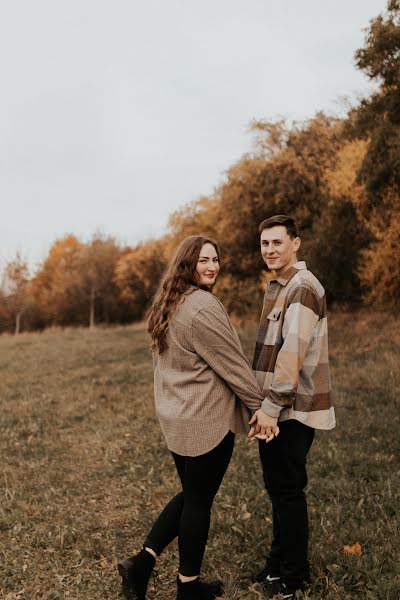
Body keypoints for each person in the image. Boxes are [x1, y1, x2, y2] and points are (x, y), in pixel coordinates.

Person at [118, 235, 275, 600]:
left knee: (192, 494)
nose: (211, 266)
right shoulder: (202, 307)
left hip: (176, 417)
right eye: (203, 260)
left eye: (215, 259)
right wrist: (261, 408)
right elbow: (233, 365)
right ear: (187, 263)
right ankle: (187, 589)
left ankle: (140, 565)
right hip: (205, 421)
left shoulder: (169, 303)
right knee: (199, 501)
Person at [250, 215, 336, 599]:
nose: (270, 250)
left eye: (277, 242)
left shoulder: (302, 287)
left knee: (287, 491)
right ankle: (276, 566)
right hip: (277, 406)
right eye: (265, 243)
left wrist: (270, 407)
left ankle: (294, 577)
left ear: (295, 243)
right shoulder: (281, 286)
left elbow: (292, 352)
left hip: (290, 408)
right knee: (278, 488)